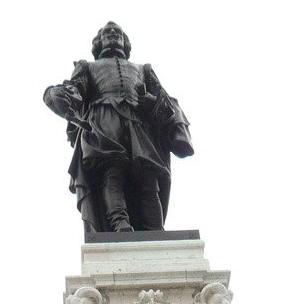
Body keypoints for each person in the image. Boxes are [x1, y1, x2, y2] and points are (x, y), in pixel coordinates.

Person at [43, 22, 193, 233]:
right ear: (99, 42)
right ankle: (119, 224)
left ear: (125, 42)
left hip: (139, 125)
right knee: (112, 173)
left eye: (118, 33)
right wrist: (58, 95)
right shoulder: (87, 67)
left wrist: (151, 102)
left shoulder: (143, 69)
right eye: (107, 32)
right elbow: (75, 90)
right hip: (103, 121)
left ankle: (155, 230)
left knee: (148, 178)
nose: (113, 33)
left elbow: (163, 101)